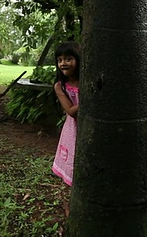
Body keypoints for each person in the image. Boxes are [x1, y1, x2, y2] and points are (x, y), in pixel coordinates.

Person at [51, 41, 80, 186]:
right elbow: (70, 110)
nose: (63, 63)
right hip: (73, 129)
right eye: (60, 60)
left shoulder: (86, 82)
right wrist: (89, 101)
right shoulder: (60, 86)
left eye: (68, 59)